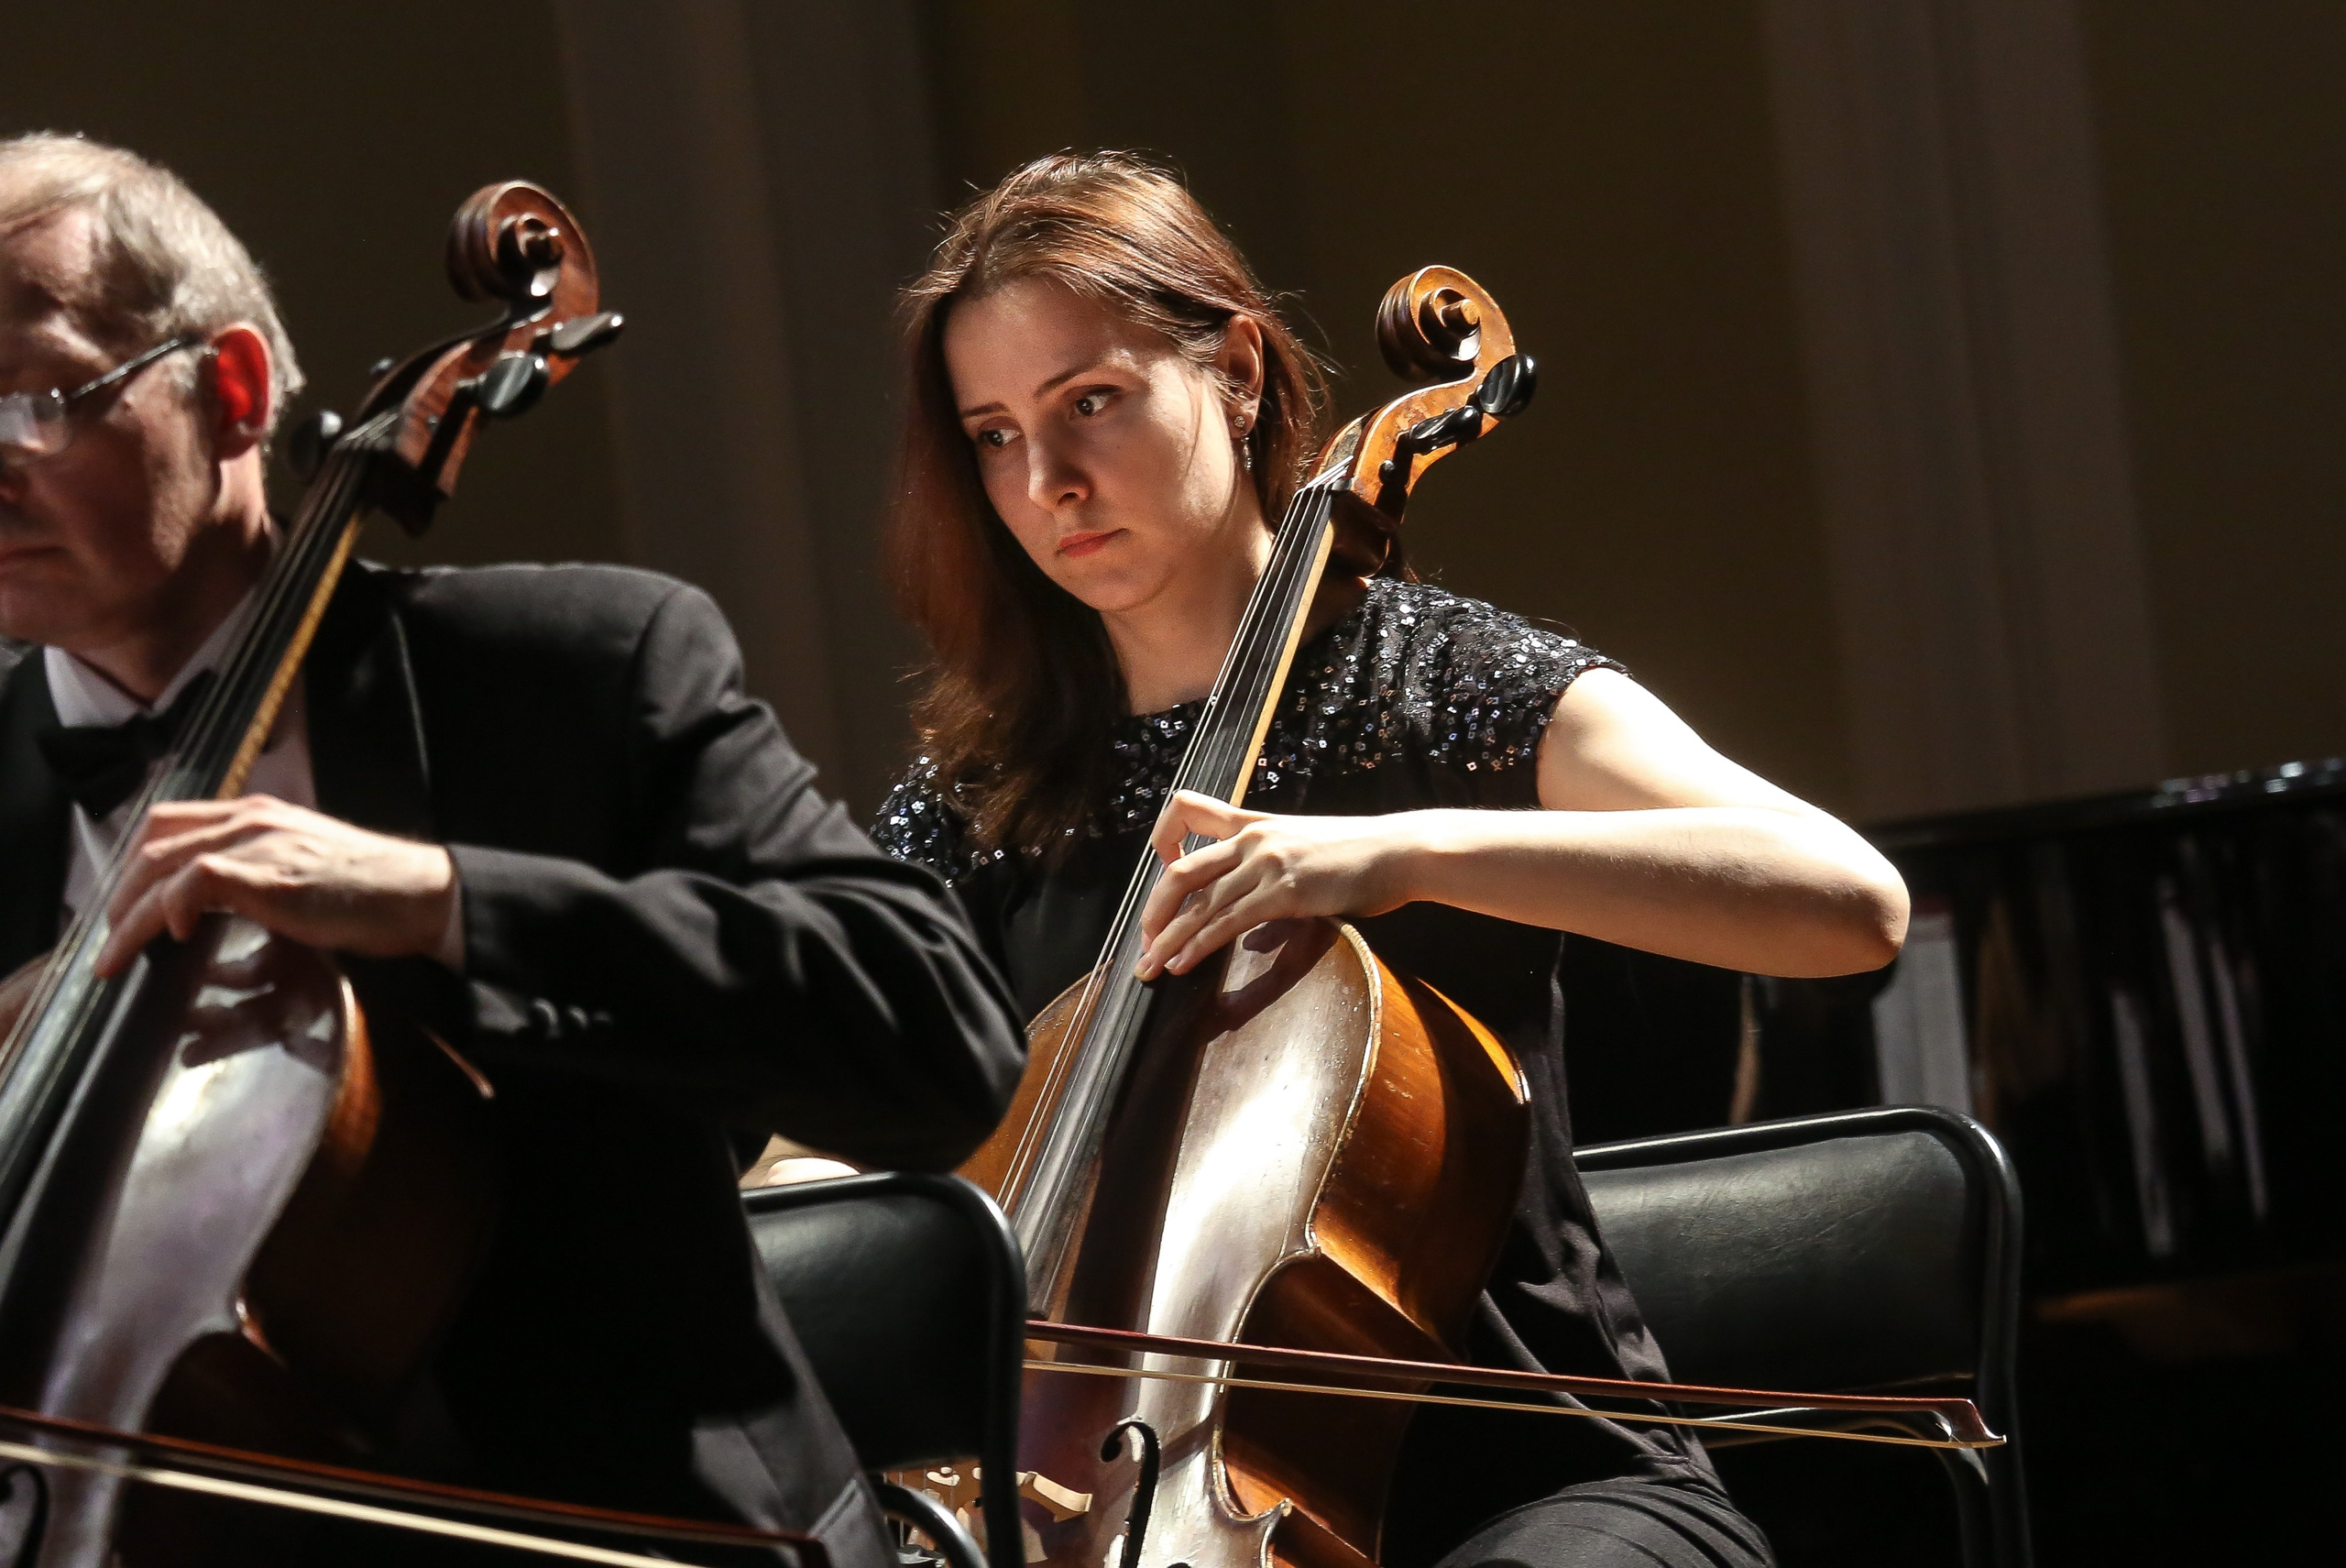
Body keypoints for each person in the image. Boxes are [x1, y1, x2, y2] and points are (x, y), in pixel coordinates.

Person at [871, 152, 1911, 1568]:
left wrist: (1392, 854)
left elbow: (1848, 902)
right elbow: (829, 1121)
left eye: (1089, 403)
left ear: (1236, 372)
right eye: (993, 435)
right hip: (1128, 1512)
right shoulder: (988, 799)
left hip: (1541, 1493)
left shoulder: (1433, 686)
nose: (1047, 480)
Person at [0, 134, 1026, 1563]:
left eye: (28, 407)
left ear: (231, 390)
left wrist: (443, 902)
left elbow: (935, 1039)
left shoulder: (572, 672)